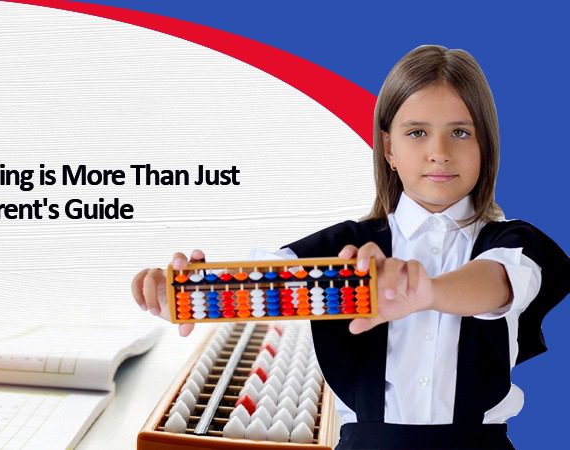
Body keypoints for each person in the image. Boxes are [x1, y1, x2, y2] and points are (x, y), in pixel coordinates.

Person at [132, 45, 569, 449]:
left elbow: (497, 283)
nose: (439, 152)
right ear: (389, 148)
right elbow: (267, 282)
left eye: (460, 132)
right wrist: (186, 292)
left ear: (485, 145)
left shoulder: (514, 241)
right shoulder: (345, 244)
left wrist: (427, 292)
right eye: (417, 133)